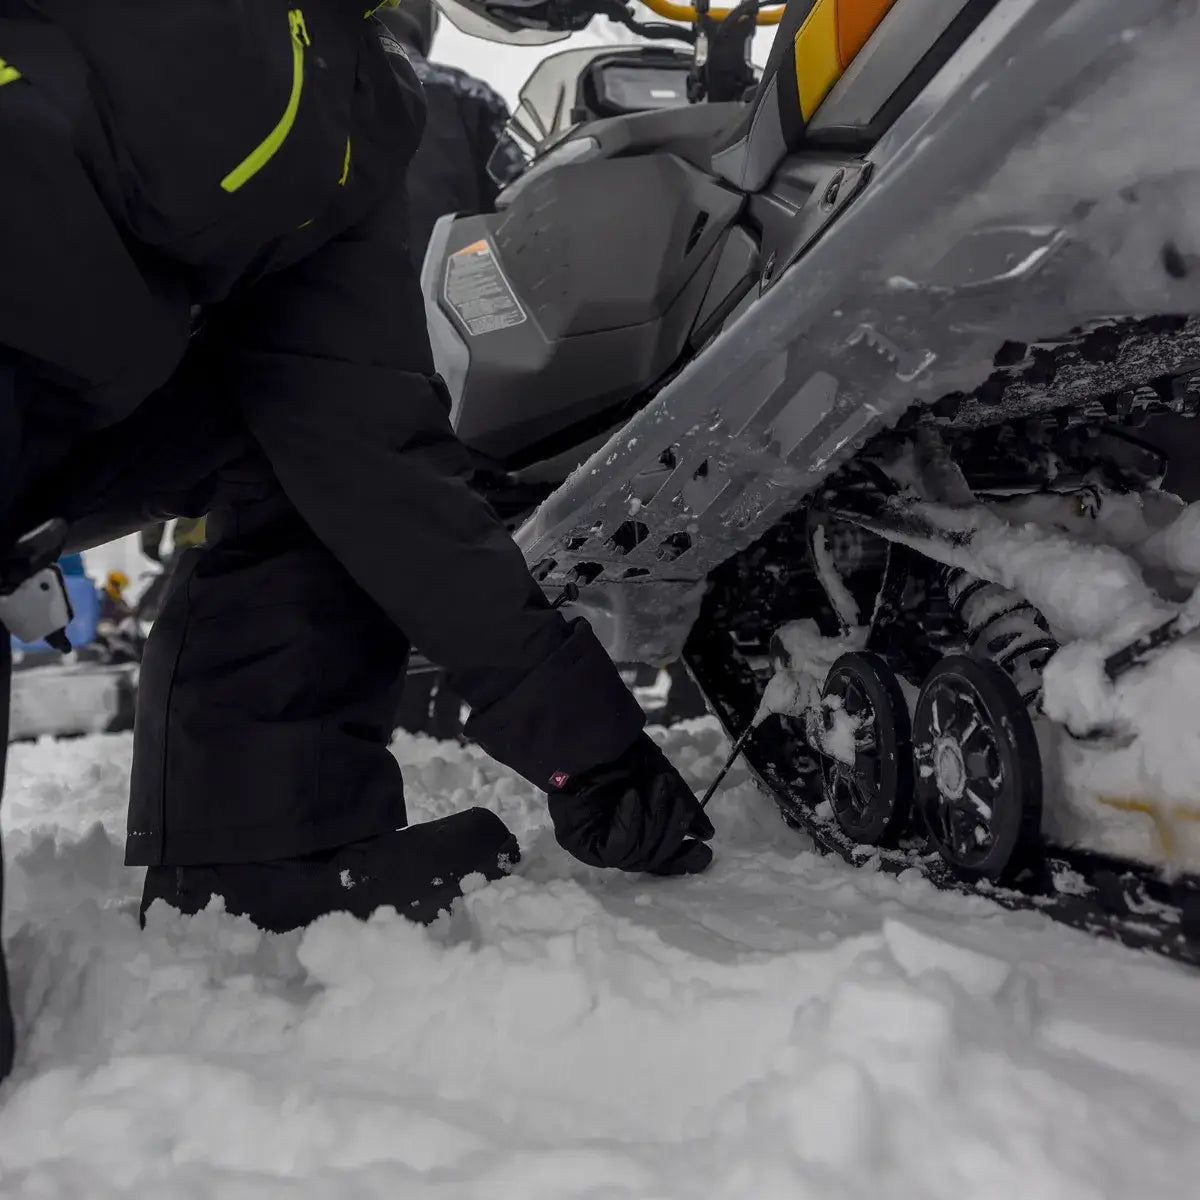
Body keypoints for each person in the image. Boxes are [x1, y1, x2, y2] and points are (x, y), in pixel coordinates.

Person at [0, 0, 713, 1082]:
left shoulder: (330, 104)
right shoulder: (350, 104)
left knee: (271, 429)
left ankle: (256, 838)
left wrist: (584, 740)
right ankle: (263, 837)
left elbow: (357, 446)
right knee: (299, 431)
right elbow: (368, 454)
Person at [377, 0, 526, 269]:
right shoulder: (467, 92)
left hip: (319, 298)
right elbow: (518, 198)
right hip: (449, 290)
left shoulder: (312, 86)